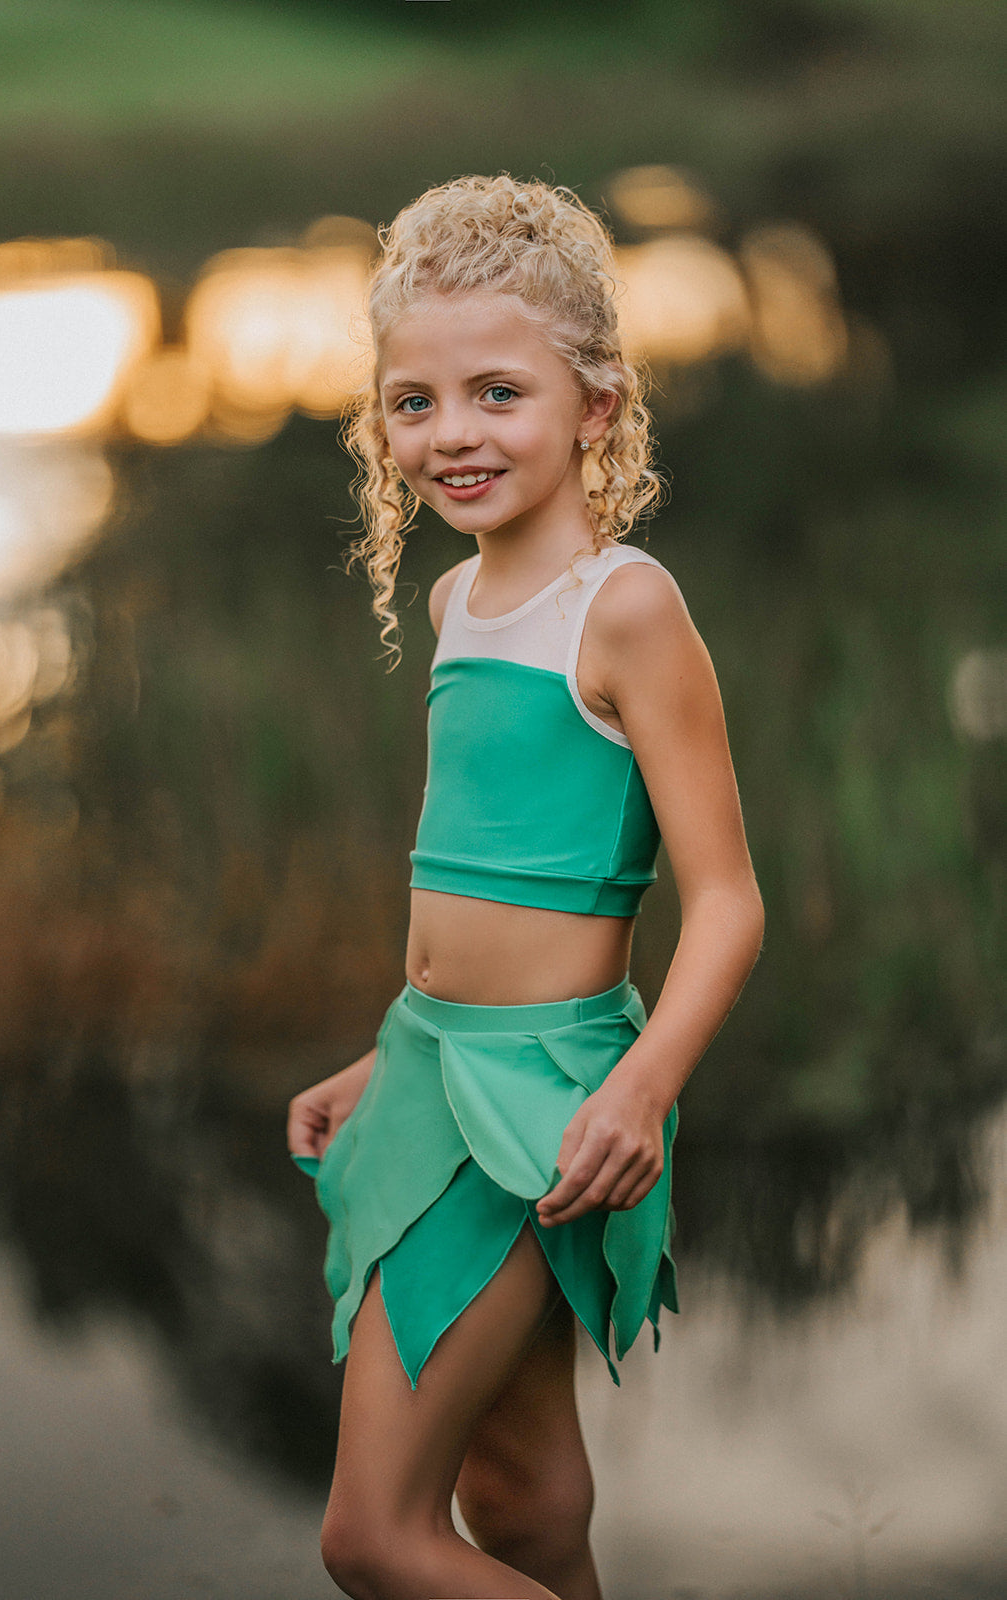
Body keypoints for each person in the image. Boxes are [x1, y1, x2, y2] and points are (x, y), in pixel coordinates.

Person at [287, 173, 764, 1600]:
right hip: (430, 1071)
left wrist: (641, 1091)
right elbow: (486, 884)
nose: (452, 436)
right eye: (415, 402)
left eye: (498, 393)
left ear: (596, 406)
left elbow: (728, 901)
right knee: (529, 1504)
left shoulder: (626, 606)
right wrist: (389, 1052)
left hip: (538, 1110)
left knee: (371, 1539)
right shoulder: (457, 599)